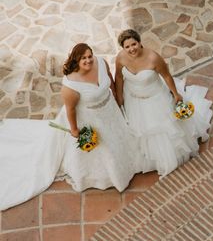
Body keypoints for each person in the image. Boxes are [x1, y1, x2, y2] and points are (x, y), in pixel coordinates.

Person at [0, 43, 139, 211]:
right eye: (83, 58)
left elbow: (109, 78)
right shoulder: (71, 85)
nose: (88, 60)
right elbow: (70, 110)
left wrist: (116, 96)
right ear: (76, 60)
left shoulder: (100, 63)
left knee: (118, 136)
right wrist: (74, 130)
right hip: (90, 119)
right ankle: (111, 176)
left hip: (109, 111)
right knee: (105, 147)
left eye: (89, 56)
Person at [115, 29, 212, 177]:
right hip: (133, 99)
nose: (131, 49)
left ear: (139, 42)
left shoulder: (153, 58)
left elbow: (166, 76)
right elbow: (119, 77)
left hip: (155, 98)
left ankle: (167, 157)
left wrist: (175, 94)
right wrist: (120, 97)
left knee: (160, 129)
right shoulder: (121, 58)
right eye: (127, 47)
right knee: (140, 129)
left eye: (133, 44)